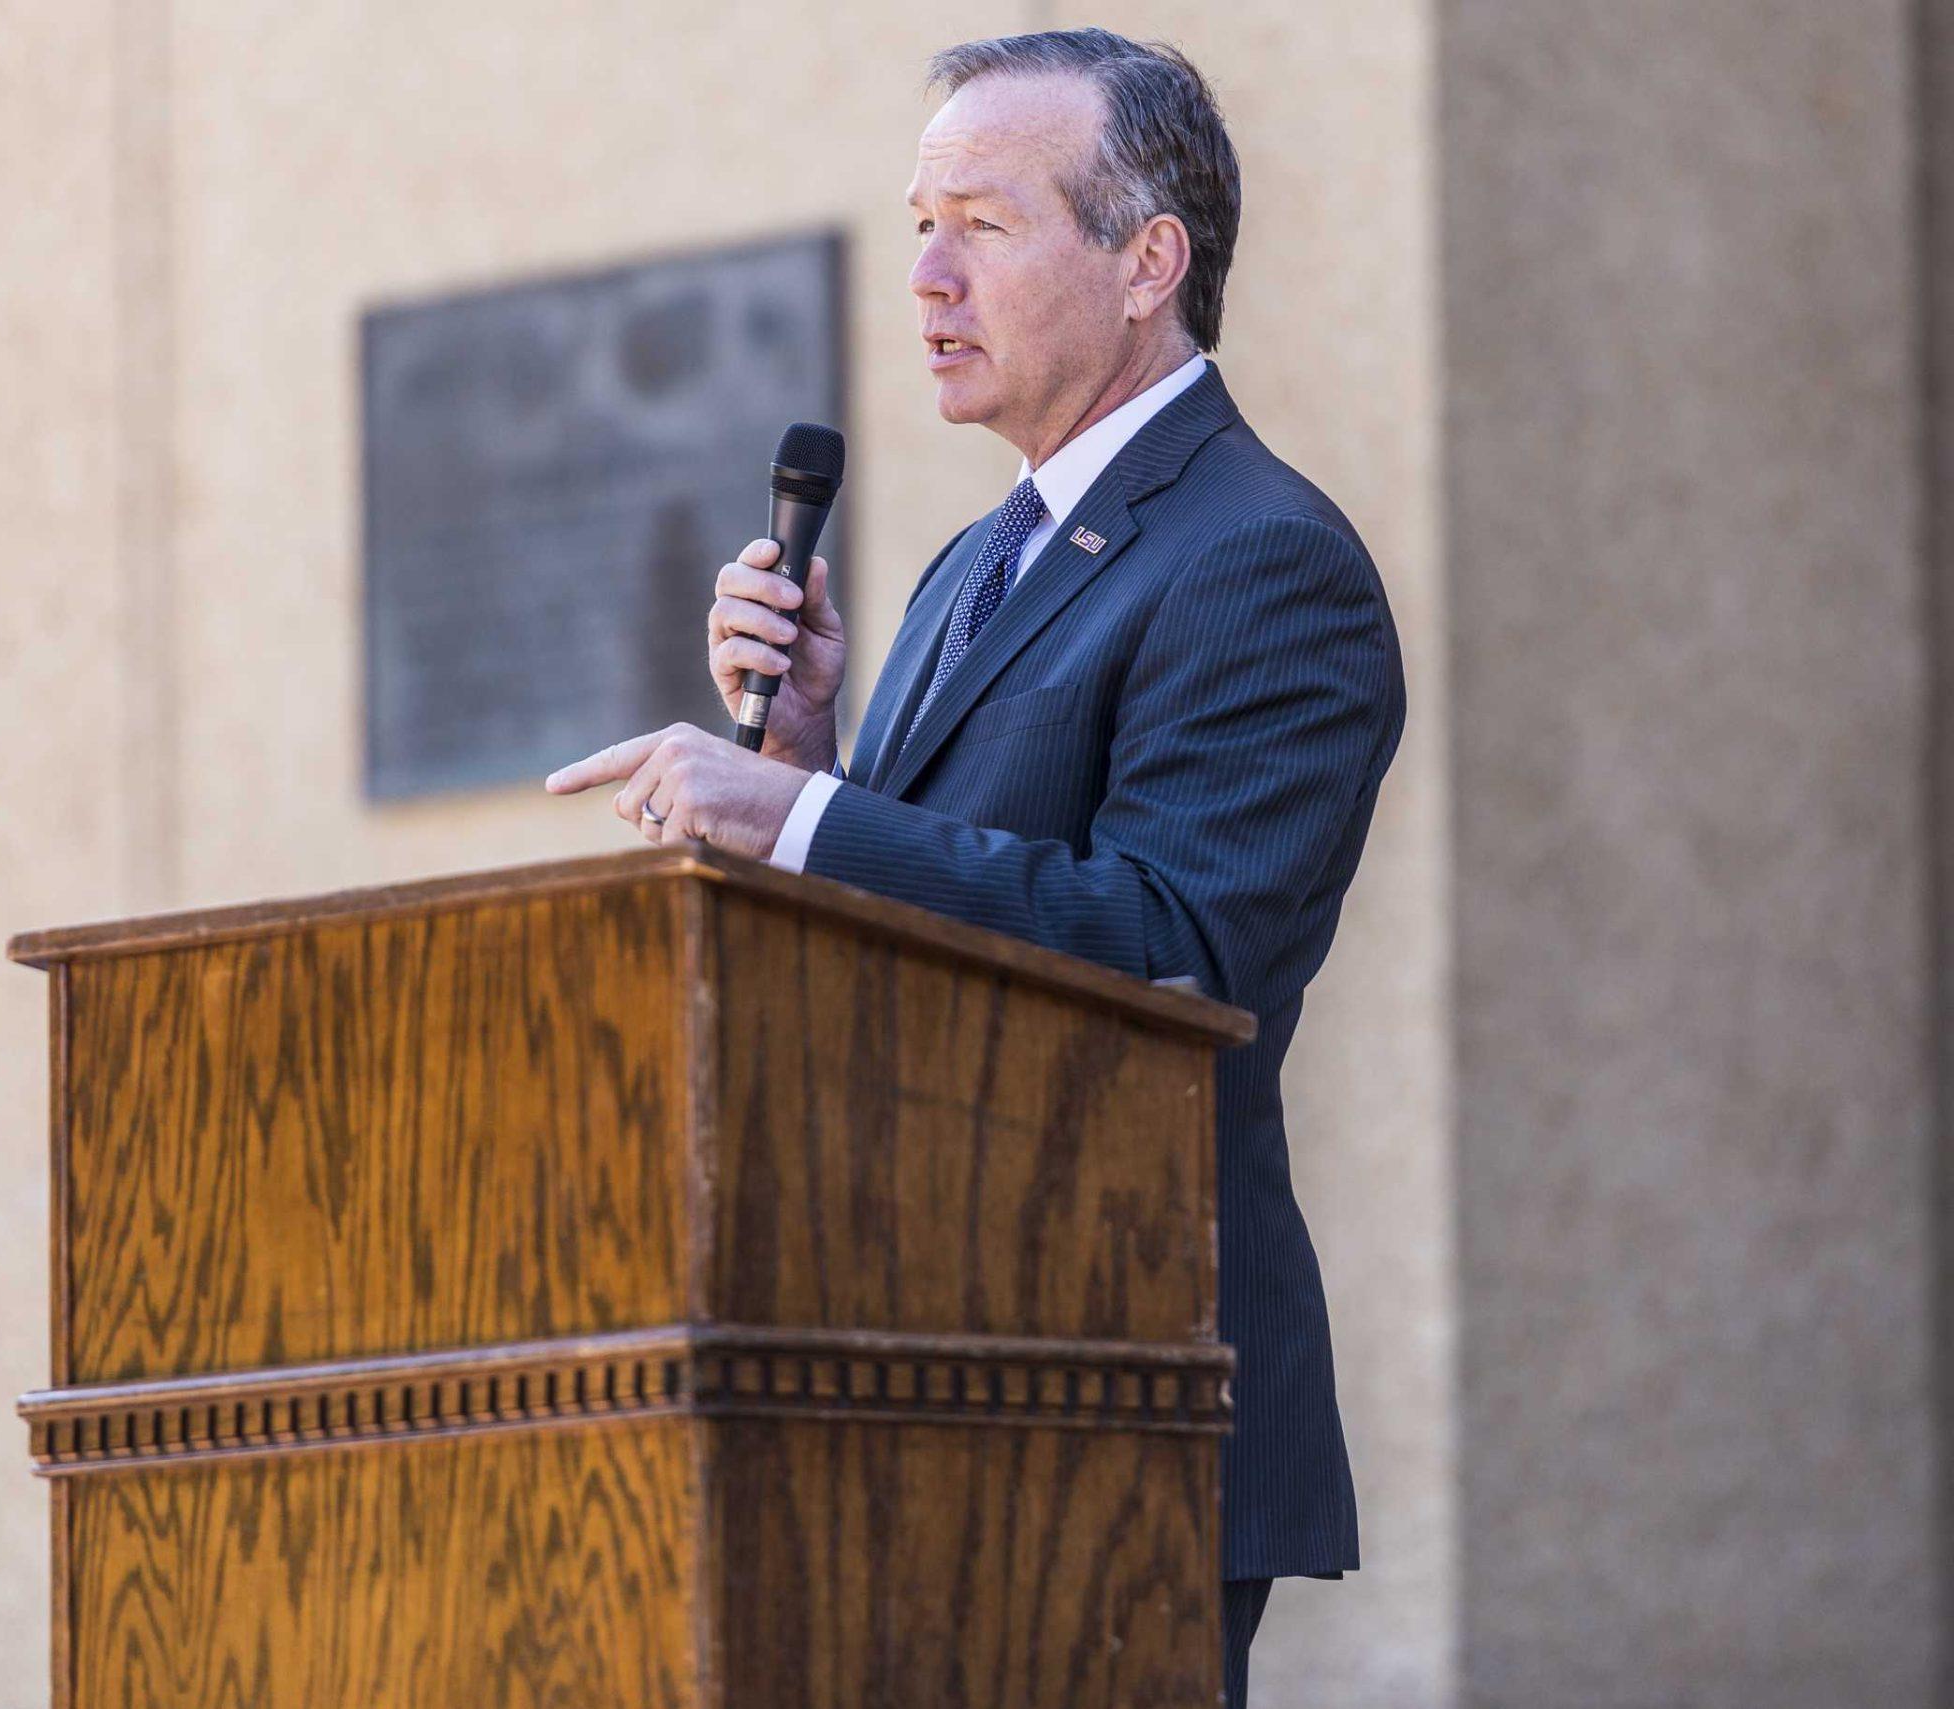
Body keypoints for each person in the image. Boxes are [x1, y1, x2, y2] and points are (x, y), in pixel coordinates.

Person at [547, 27, 1402, 1704]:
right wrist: (808, 754)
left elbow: (1169, 950)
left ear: (1148, 260)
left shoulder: (1265, 559)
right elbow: (935, 934)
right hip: (908, 1356)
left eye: (985, 227)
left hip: (1106, 1377)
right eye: (917, 222)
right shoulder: (974, 561)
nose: (924, 276)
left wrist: (786, 817)